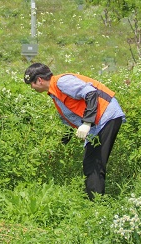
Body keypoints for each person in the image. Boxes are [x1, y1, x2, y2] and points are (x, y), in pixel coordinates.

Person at [24, 63, 125, 200]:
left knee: (94, 163)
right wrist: (60, 144)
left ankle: (96, 206)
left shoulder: (62, 82)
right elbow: (70, 120)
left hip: (106, 116)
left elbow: (91, 93)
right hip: (97, 123)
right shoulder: (54, 93)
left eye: (31, 83)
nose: (31, 87)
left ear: (40, 80)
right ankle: (94, 202)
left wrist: (87, 123)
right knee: (91, 163)